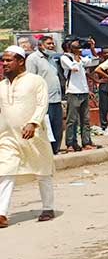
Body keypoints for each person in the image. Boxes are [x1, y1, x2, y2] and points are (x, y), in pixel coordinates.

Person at [0, 46, 56, 227]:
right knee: (5, 172)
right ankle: (1, 214)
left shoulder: (36, 81)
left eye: (9, 60)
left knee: (43, 171)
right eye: (3, 60)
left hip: (34, 135)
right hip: (8, 137)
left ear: (21, 61)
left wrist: (33, 123)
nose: (4, 63)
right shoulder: (1, 86)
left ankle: (48, 207)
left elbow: (42, 104)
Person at [25, 37, 63, 154]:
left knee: (57, 127)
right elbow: (30, 79)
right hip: (43, 100)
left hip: (56, 98)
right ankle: (46, 152)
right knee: (46, 128)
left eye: (53, 43)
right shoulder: (33, 59)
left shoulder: (52, 59)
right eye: (49, 44)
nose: (51, 46)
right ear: (41, 45)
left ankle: (55, 151)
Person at [60, 40, 97, 152]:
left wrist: (92, 49)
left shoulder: (81, 58)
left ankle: (86, 142)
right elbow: (74, 68)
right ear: (68, 47)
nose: (79, 48)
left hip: (83, 91)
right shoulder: (65, 58)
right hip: (73, 91)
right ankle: (70, 143)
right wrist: (76, 56)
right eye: (76, 46)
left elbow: (94, 61)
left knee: (85, 119)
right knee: (72, 120)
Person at [93, 47, 108, 130]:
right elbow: (89, 72)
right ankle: (104, 126)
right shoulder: (100, 62)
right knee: (104, 107)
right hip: (104, 86)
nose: (107, 55)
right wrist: (97, 80)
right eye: (105, 53)